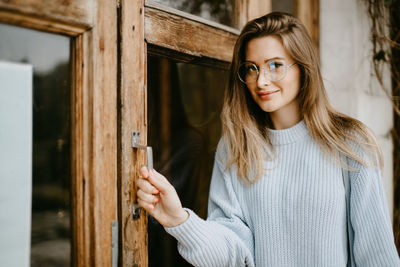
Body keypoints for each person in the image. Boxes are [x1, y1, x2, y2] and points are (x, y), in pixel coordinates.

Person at [136, 12, 400, 266]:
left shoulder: (350, 142)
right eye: (251, 68)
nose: (261, 81)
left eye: (276, 65)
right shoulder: (235, 149)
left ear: (303, 69)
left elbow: (376, 254)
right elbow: (232, 253)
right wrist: (180, 221)